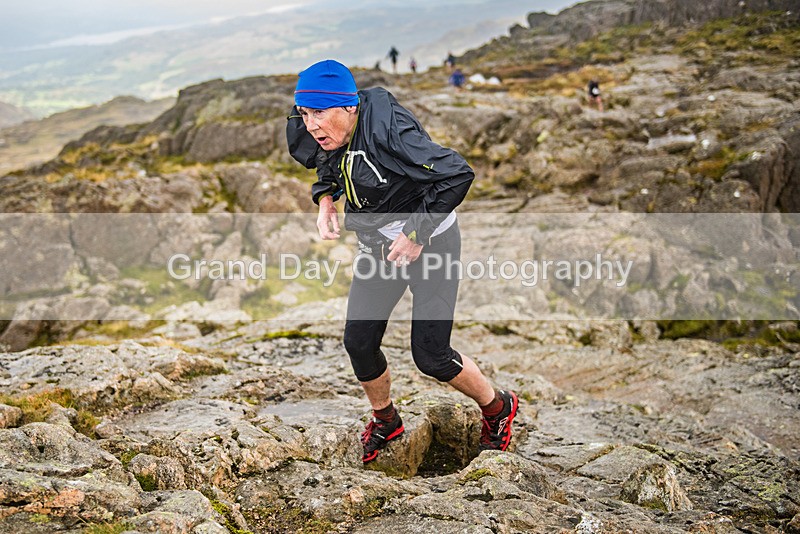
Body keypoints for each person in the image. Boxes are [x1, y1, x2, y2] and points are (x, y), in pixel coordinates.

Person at [286, 59, 518, 464]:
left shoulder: (390, 131)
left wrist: (415, 234)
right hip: (378, 248)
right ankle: (386, 420)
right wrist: (325, 199)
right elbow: (327, 161)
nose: (310, 125)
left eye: (319, 113)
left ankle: (499, 409)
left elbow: (457, 174)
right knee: (358, 342)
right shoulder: (322, 130)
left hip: (432, 245)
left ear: (349, 106)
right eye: (304, 113)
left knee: (431, 355)